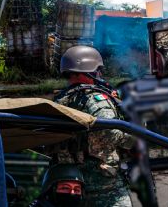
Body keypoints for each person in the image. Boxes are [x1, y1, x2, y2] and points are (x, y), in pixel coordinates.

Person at [51, 45, 135, 206]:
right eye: (98, 70)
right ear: (89, 71)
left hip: (71, 185)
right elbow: (110, 133)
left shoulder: (60, 100)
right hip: (104, 186)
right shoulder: (96, 98)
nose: (100, 75)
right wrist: (137, 139)